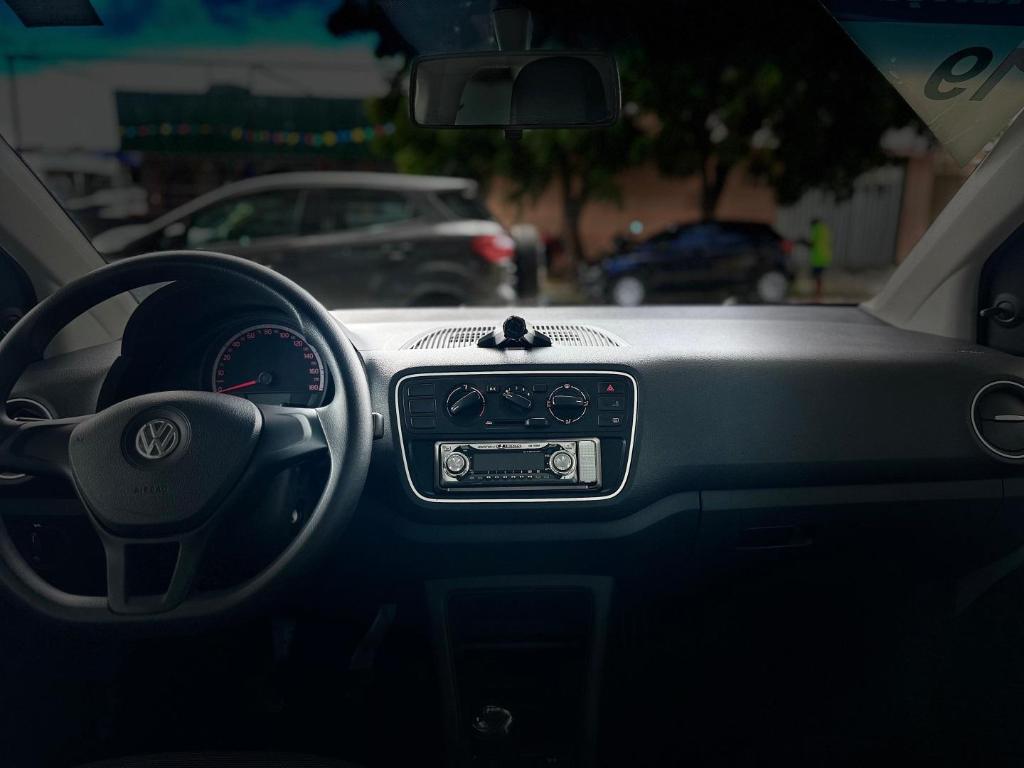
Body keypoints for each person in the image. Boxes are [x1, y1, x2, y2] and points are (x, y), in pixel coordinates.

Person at [806, 217, 833, 301]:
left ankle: (817, 294)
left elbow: (812, 243)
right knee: (819, 277)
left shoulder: (816, 229)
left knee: (817, 277)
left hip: (818, 258)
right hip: (825, 256)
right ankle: (819, 293)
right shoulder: (825, 229)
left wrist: (804, 242)